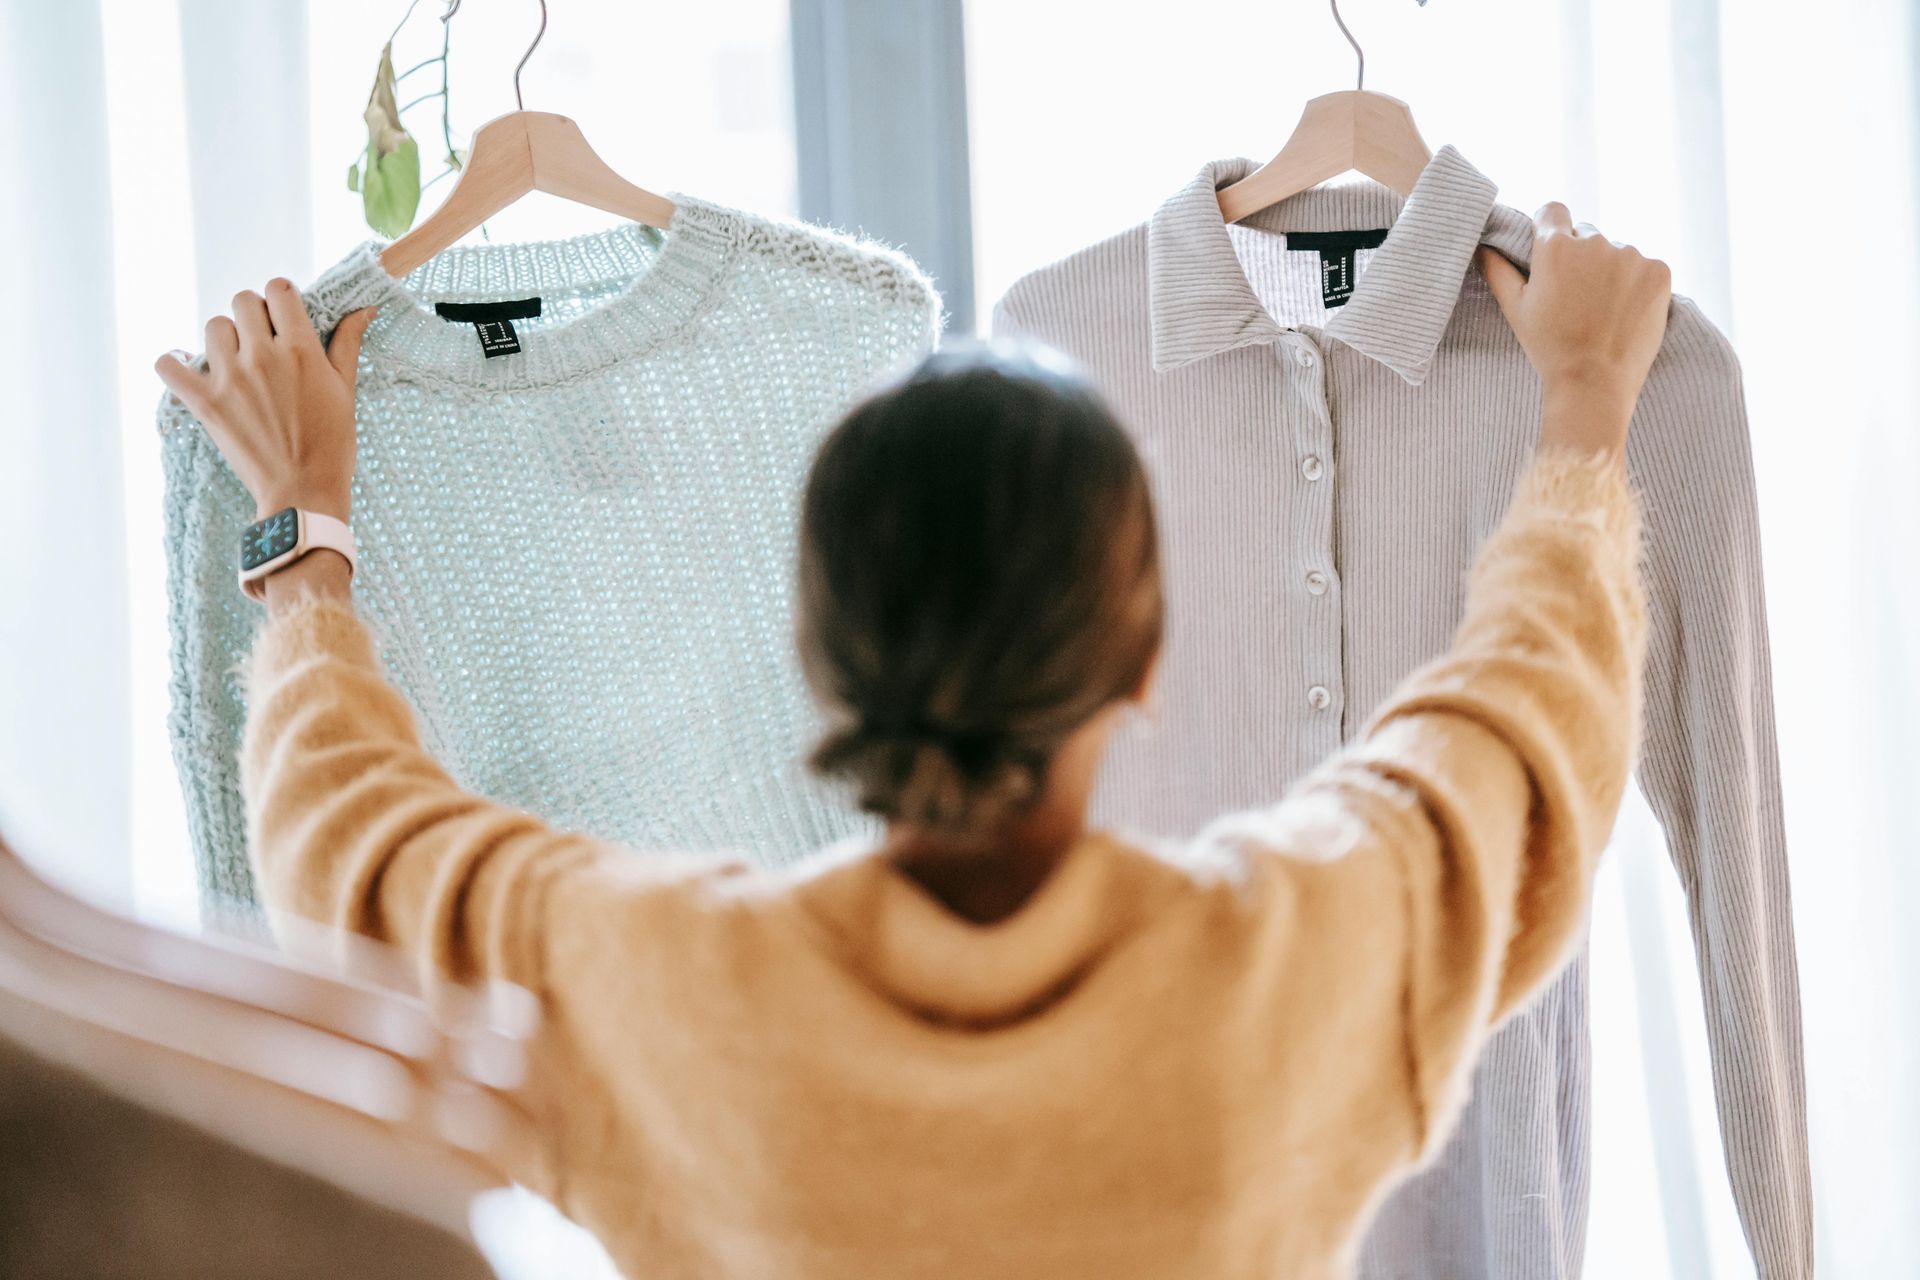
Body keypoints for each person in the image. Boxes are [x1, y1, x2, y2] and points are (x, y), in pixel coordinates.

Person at [154, 202, 1668, 1279]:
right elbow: (1520, 730)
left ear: (823, 665)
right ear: (1142, 659)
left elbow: (359, 845)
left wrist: (305, 540)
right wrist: (1586, 408)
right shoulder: (1291, 966)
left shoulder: (670, 990)